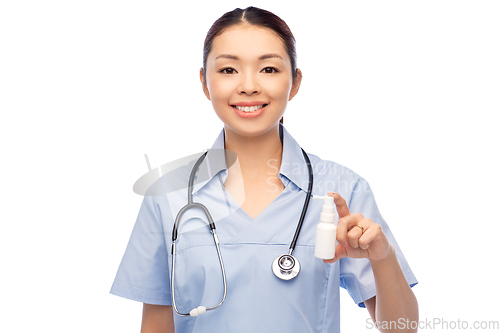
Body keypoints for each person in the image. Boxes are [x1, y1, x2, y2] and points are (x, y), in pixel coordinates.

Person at [110, 6, 418, 333]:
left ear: (295, 82)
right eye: (228, 70)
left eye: (268, 69)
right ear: (204, 83)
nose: (248, 86)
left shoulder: (342, 188)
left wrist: (382, 257)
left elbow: (402, 328)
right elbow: (157, 325)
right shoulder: (168, 194)